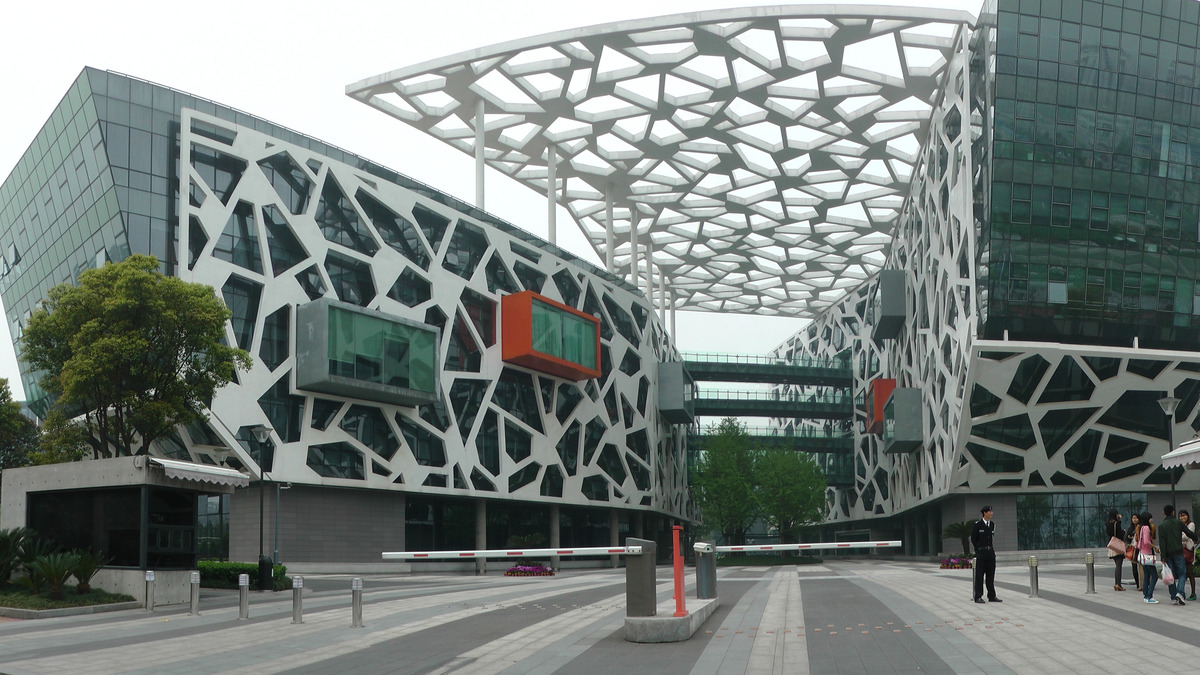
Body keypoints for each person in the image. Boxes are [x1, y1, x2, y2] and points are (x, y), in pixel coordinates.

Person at [1158, 504, 1197, 605]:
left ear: (1164, 513)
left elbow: (1162, 542)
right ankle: (1180, 592)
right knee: (1182, 573)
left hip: (1168, 553)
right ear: (1173, 512)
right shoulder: (1178, 523)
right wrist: (1196, 538)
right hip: (1179, 552)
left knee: (1170, 576)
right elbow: (1188, 532)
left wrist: (1163, 556)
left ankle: (1173, 597)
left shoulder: (1162, 526)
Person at [971, 505, 1000, 603]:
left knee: (990, 575)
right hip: (981, 553)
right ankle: (978, 596)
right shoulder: (977, 525)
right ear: (985, 513)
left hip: (990, 553)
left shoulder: (992, 524)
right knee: (979, 576)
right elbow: (973, 539)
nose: (992, 513)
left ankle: (991, 595)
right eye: (990, 512)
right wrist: (978, 550)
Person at [1137, 511, 1159, 604]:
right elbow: (1146, 541)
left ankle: (1146, 595)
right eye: (1150, 518)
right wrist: (1155, 547)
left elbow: (1139, 543)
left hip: (1142, 554)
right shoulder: (1146, 528)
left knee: (1146, 575)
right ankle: (1149, 595)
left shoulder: (1141, 527)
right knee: (1154, 576)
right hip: (1147, 555)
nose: (1152, 520)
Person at [1106, 509, 1126, 591]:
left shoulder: (1108, 523)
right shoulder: (1116, 523)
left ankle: (1117, 583)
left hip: (1112, 545)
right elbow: (1119, 534)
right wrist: (1124, 531)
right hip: (1118, 545)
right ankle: (1118, 584)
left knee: (1117, 565)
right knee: (1119, 565)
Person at [1181, 509, 1197, 601]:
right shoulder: (1180, 525)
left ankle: (1193, 593)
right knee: (1183, 573)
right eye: (1181, 516)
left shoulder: (1191, 524)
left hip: (1188, 550)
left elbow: (1186, 536)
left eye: (1184, 515)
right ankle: (1182, 593)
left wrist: (1179, 536)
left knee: (1190, 572)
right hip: (1181, 550)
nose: (1182, 517)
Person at [1127, 513, 1143, 591]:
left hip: (1140, 549)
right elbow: (1126, 538)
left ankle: (1142, 583)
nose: (1135, 519)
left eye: (1136, 518)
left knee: (1141, 567)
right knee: (1134, 567)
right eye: (1133, 518)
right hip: (1133, 549)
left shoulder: (1141, 527)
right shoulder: (1130, 528)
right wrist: (1129, 537)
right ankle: (1137, 584)